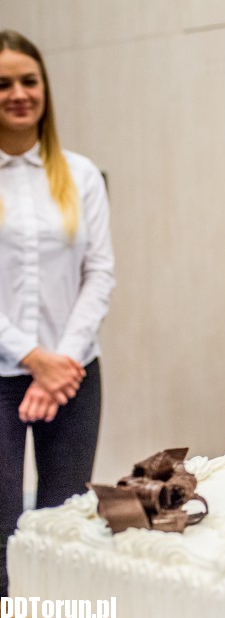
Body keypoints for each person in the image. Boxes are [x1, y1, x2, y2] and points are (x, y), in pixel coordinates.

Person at [0, 30, 115, 597]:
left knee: (64, 526)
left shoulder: (81, 174)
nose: (18, 93)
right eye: (3, 83)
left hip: (74, 377)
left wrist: (61, 362)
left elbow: (100, 274)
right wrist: (29, 357)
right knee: (2, 534)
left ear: (45, 88)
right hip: (2, 377)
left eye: (29, 80)